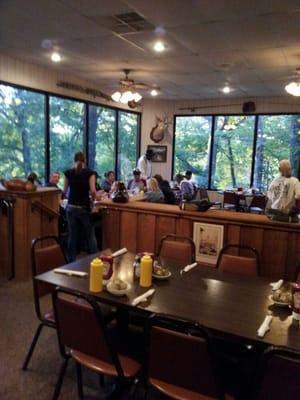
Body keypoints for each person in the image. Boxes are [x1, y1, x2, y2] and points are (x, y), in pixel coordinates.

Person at [63, 151, 98, 262]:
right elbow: (93, 191)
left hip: (70, 207)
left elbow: (64, 191)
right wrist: (93, 201)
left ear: (74, 160)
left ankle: (70, 262)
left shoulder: (68, 173)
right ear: (85, 160)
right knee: (90, 235)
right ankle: (96, 260)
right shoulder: (90, 173)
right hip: (83, 207)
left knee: (72, 236)